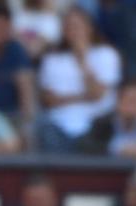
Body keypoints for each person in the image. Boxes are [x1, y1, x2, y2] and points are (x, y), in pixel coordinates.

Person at [36, 7, 122, 152]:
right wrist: (84, 97)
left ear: (89, 27)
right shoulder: (52, 59)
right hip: (58, 125)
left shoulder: (107, 54)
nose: (74, 31)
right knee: (43, 128)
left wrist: (83, 60)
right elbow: (50, 101)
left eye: (77, 26)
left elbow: (96, 94)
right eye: (68, 26)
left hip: (97, 125)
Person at [81, 79, 136, 157]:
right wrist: (118, 149)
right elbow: (85, 146)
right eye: (132, 100)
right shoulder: (102, 122)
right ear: (119, 102)